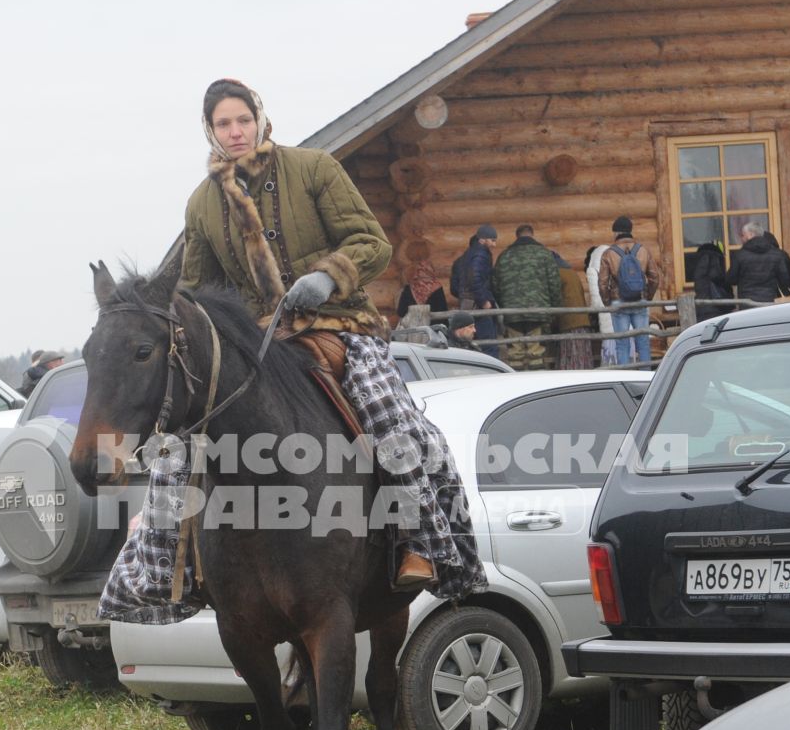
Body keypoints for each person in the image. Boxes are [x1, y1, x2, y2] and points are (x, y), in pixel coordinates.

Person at [101, 77, 485, 625]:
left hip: (336, 326)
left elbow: (372, 243)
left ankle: (422, 542)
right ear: (209, 131)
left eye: (242, 120)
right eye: (222, 124)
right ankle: (164, 573)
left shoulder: (314, 169)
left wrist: (329, 278)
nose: (235, 132)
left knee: (394, 420)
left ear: (259, 118)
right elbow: (197, 292)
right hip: (257, 345)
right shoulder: (203, 204)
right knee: (178, 450)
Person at [490, 223, 563, 370]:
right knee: (536, 353)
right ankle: (537, 385)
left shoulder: (504, 256)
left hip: (512, 314)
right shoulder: (544, 254)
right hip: (539, 312)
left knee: (515, 353)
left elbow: (495, 285)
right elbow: (554, 284)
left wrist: (503, 305)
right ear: (532, 234)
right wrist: (555, 309)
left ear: (517, 236)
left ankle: (517, 383)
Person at [597, 217, 659, 365]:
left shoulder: (608, 253)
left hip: (619, 302)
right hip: (640, 299)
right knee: (643, 342)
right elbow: (655, 277)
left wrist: (608, 303)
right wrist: (647, 297)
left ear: (616, 232)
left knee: (622, 344)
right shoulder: (643, 250)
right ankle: (645, 376)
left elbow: (602, 283)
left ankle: (624, 377)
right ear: (630, 231)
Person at [450, 225, 498, 353]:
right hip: (477, 305)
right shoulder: (480, 255)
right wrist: (484, 301)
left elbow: (455, 287)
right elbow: (475, 279)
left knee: (471, 343)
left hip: (467, 303)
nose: (494, 244)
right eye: (492, 240)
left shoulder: (468, 256)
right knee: (489, 344)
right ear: (482, 240)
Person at [554, 251, 598, 370]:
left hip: (569, 321)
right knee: (581, 355)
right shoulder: (571, 272)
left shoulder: (557, 274)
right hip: (582, 319)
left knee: (572, 356)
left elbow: (556, 298)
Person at [728, 224, 790, 304]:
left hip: (747, 301)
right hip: (770, 299)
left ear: (751, 235)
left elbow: (731, 279)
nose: (742, 238)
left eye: (743, 235)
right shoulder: (777, 254)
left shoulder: (740, 255)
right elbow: (785, 279)